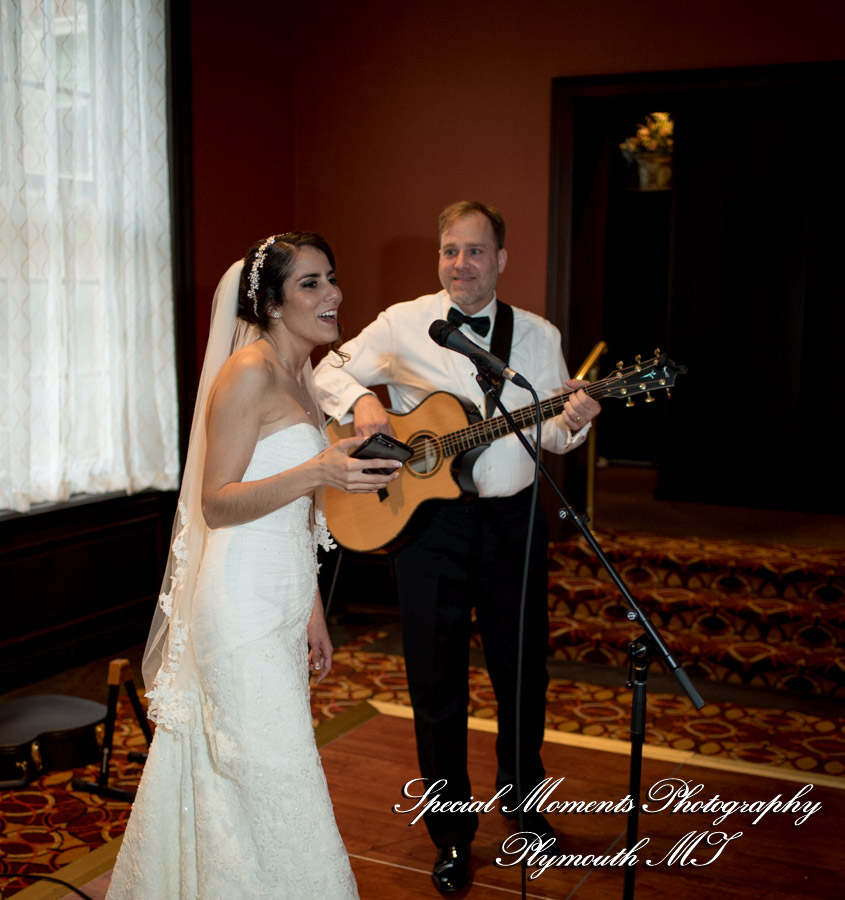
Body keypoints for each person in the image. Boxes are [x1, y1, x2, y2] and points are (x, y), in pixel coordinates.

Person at [312, 202, 601, 894]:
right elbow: (325, 370)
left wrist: (579, 421)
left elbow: (553, 435)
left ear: (500, 259)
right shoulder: (402, 321)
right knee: (435, 685)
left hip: (514, 525)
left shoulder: (537, 335)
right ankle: (449, 833)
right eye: (449, 251)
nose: (460, 264)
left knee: (522, 675)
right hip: (429, 529)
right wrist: (362, 403)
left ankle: (524, 811)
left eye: (474, 251)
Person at [106, 233, 402, 899]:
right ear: (269, 303)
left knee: (239, 778)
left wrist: (311, 610)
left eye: (331, 278)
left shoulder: (301, 377)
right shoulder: (247, 374)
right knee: (277, 775)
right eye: (311, 284)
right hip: (236, 609)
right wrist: (319, 467)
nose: (333, 295)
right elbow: (215, 502)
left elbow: (297, 518)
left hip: (278, 600)